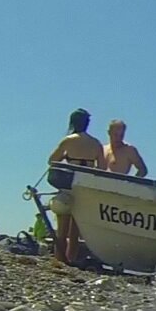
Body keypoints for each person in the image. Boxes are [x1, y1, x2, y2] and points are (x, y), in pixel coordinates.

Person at [47, 108, 106, 264]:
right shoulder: (96, 144)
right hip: (85, 188)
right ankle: (71, 259)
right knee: (76, 230)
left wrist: (67, 157)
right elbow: (102, 168)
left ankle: (59, 260)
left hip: (68, 186)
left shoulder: (68, 140)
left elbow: (52, 160)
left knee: (62, 228)